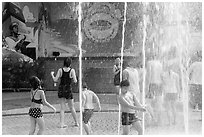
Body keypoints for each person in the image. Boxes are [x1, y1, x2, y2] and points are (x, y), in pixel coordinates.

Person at [51, 57, 79, 128]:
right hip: (68, 89)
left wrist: (52, 74)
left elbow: (55, 80)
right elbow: (75, 81)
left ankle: (61, 124)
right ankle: (76, 122)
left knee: (62, 108)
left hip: (61, 89)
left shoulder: (60, 70)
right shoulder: (72, 70)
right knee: (72, 107)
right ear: (70, 63)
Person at [146, 58, 164, 126]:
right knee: (159, 103)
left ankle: (154, 118)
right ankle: (159, 121)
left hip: (152, 83)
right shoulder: (160, 63)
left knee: (147, 102)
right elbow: (161, 75)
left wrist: (147, 87)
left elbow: (149, 75)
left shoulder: (149, 62)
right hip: (159, 84)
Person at [188, 53, 202, 120]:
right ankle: (202, 117)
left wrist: (189, 80)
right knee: (202, 101)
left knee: (192, 100)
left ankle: (190, 115)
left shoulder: (194, 64)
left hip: (194, 83)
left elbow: (187, 73)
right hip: (202, 84)